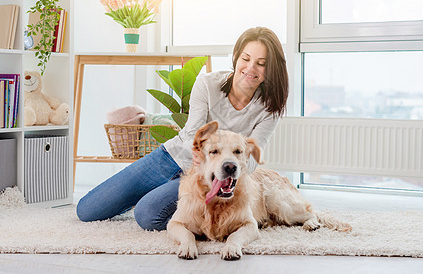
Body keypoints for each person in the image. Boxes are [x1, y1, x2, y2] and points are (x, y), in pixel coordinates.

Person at [76, 27, 289, 230]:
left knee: (147, 215)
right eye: (245, 58)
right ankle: (156, 196)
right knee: (86, 210)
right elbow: (190, 133)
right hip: (172, 157)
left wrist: (213, 167)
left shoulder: (270, 108)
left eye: (261, 63)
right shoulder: (207, 84)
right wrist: (198, 154)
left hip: (207, 177)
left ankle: (190, 216)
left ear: (271, 68)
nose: (250, 68)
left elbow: (250, 161)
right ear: (235, 56)